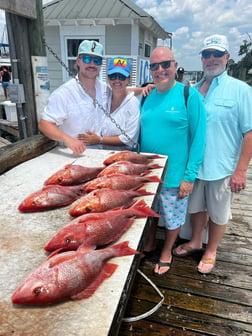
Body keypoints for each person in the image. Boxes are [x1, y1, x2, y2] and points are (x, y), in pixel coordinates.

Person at [173, 34, 252, 274]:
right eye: (207, 54)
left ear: (227, 57)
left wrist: (241, 170)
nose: (211, 59)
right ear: (202, 58)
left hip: (223, 168)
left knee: (218, 212)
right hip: (195, 168)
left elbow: (249, 133)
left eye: (217, 54)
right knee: (196, 208)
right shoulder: (192, 90)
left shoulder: (241, 90)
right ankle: (196, 241)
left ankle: (211, 250)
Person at [139, 46, 206, 276]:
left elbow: (199, 139)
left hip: (175, 176)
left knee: (172, 217)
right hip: (148, 174)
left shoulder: (189, 95)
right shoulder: (146, 96)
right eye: (155, 66)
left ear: (175, 66)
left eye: (165, 64)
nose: (160, 70)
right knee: (149, 213)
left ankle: (166, 251)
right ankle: (148, 244)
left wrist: (189, 177)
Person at [38, 40, 140, 155]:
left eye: (96, 60)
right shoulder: (63, 94)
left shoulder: (104, 88)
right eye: (87, 59)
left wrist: (143, 90)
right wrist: (67, 139)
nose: (92, 64)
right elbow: (44, 124)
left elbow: (121, 90)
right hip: (73, 157)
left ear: (101, 65)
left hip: (101, 157)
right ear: (78, 61)